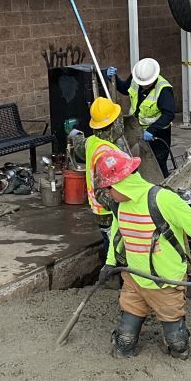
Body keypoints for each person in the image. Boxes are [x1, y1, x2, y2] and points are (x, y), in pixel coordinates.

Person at [93, 149, 191, 360]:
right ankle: (127, 342)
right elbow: (116, 234)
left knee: (178, 345)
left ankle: (177, 343)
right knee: (125, 341)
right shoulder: (120, 206)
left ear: (121, 184)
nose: (108, 194)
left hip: (165, 282)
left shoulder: (163, 199)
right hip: (134, 279)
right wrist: (110, 263)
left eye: (109, 189)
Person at [106, 58, 175, 176]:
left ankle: (163, 185)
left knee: (158, 164)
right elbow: (124, 89)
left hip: (157, 133)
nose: (144, 86)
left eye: (147, 84)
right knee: (138, 162)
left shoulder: (164, 90)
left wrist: (151, 130)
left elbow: (169, 114)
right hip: (136, 129)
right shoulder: (137, 77)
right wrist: (114, 78)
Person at [85, 96, 125, 261]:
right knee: (115, 246)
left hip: (97, 208)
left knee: (107, 238)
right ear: (112, 125)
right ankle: (113, 275)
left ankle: (106, 265)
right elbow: (103, 188)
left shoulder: (92, 141)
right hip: (108, 209)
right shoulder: (107, 154)